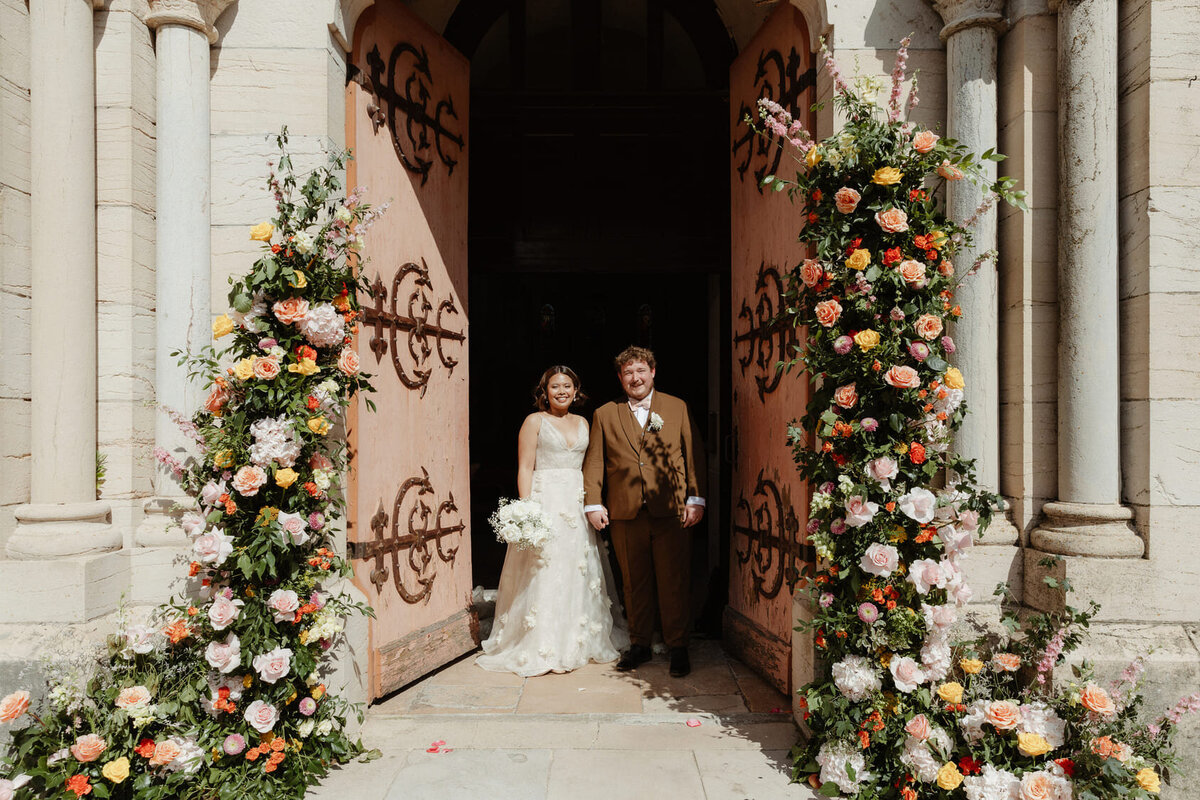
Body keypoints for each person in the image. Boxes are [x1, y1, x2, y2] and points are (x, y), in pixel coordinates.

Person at [476, 366, 628, 676]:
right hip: (545, 502)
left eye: (567, 385)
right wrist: (528, 510)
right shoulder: (534, 422)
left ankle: (577, 639)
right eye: (555, 386)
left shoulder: (584, 422)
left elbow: (591, 466)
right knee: (545, 569)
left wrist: (592, 503)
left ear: (576, 391)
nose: (561, 391)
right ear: (544, 391)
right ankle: (542, 642)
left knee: (577, 568)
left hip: (574, 503)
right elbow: (525, 467)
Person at [583, 346, 706, 678]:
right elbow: (595, 460)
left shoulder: (676, 407)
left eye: (640, 371)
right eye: (627, 373)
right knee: (634, 582)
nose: (635, 378)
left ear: (653, 372)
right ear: (620, 378)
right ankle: (639, 645)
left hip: (671, 509)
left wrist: (695, 498)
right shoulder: (605, 414)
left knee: (673, 579)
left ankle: (678, 646)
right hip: (625, 511)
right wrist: (593, 502)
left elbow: (692, 454)